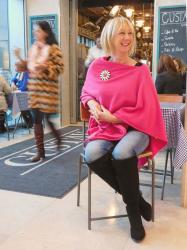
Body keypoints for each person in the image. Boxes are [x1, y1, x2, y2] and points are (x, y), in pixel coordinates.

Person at [81, 17, 167, 242]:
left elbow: (148, 109)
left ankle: (134, 217)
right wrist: (91, 104)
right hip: (105, 128)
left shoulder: (141, 71)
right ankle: (137, 201)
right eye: (121, 33)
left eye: (130, 33)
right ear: (110, 36)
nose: (127, 38)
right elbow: (86, 93)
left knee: (121, 154)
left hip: (135, 127)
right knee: (91, 154)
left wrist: (115, 116)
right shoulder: (98, 66)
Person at [14, 21, 64, 162]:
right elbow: (29, 67)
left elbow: (60, 68)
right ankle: (40, 152)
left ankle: (59, 139)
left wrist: (46, 67)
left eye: (38, 31)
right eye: (35, 31)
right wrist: (19, 58)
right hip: (34, 90)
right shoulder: (33, 48)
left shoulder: (54, 49)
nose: (35, 33)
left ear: (45, 32)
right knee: (37, 120)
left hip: (48, 91)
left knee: (48, 120)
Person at [11, 62, 33, 128]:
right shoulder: (19, 73)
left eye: (16, 67)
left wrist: (16, 88)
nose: (15, 68)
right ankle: (28, 123)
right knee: (20, 105)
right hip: (20, 94)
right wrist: (12, 83)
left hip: (28, 95)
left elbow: (24, 87)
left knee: (22, 106)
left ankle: (30, 122)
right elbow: (13, 79)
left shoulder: (26, 73)